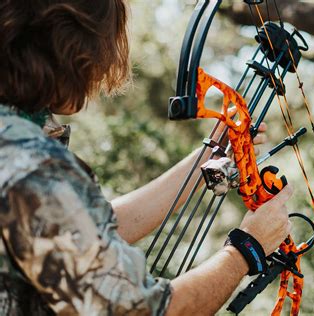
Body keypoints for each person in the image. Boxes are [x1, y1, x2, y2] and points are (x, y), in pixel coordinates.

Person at [0, 1, 293, 315]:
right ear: (71, 44)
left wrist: (211, 153)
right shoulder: (32, 162)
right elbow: (143, 311)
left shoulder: (15, 139)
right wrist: (246, 249)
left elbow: (84, 229)